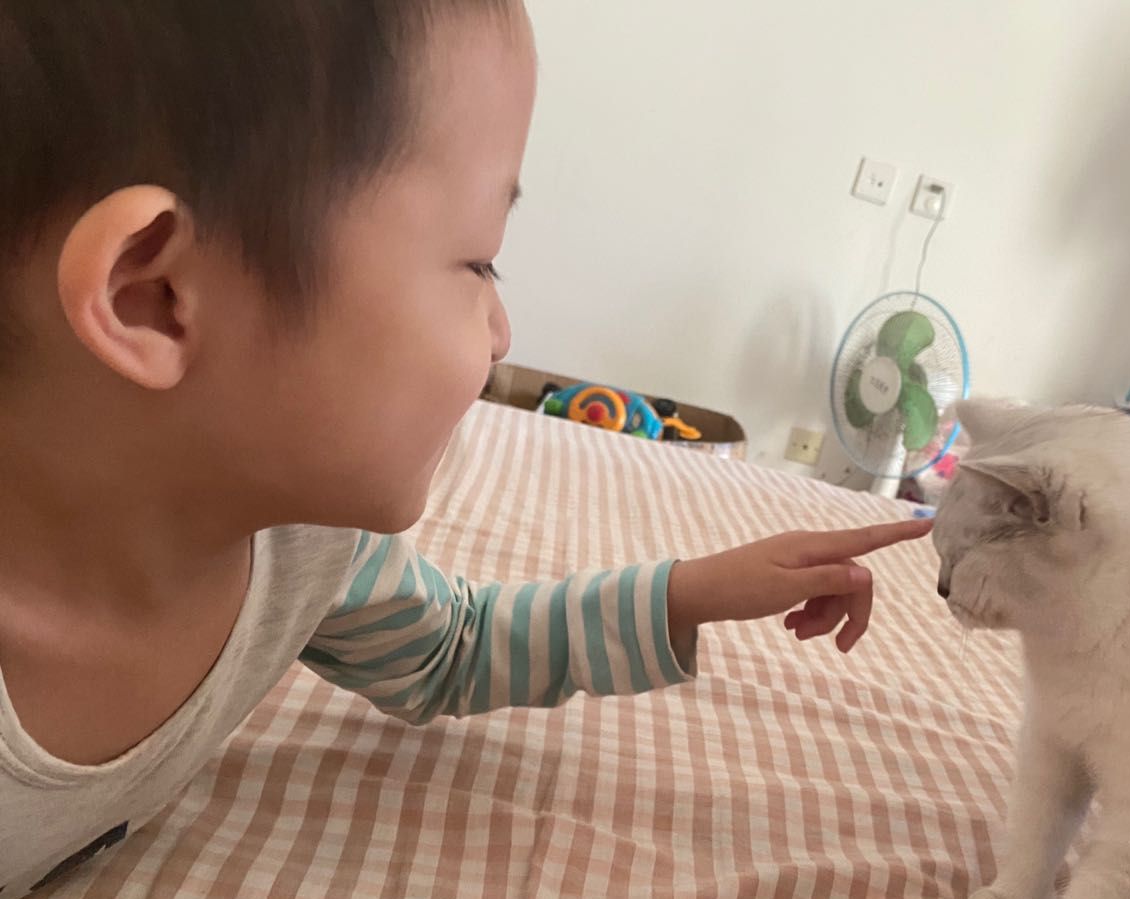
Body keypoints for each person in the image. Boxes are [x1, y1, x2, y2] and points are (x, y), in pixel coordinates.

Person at [0, 1, 931, 893]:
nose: (501, 332)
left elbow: (453, 646)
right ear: (155, 299)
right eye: (479, 260)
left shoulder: (302, 545)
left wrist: (693, 591)